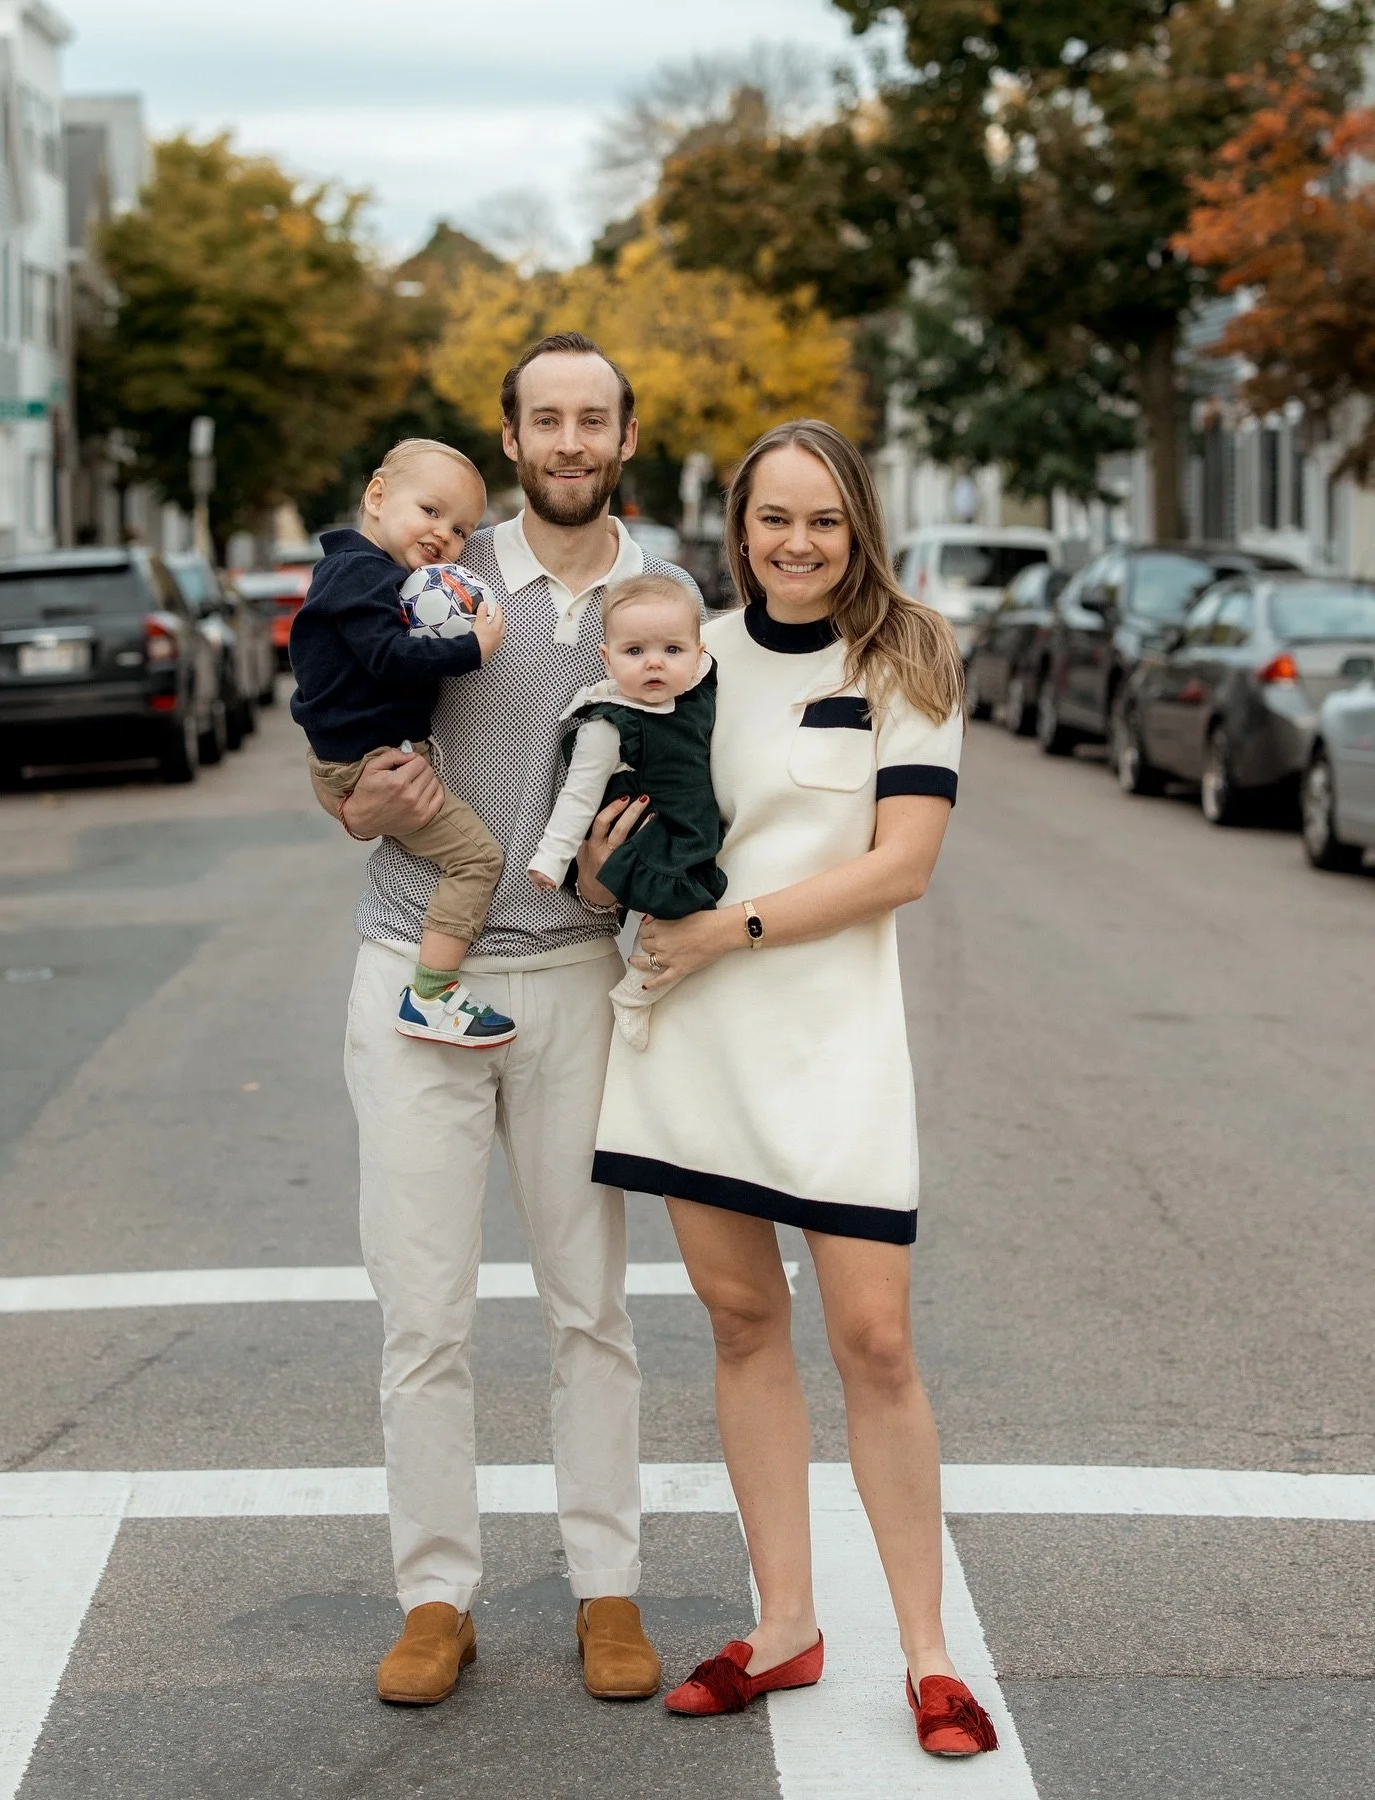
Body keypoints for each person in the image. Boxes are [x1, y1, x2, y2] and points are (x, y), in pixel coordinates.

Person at [588, 419, 1000, 1757]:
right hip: (694, 1037)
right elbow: (630, 819)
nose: (799, 543)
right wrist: (606, 871)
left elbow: (903, 865)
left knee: (875, 1342)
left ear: (857, 522)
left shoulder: (909, 654)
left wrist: (731, 929)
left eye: (823, 518)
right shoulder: (686, 655)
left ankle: (928, 1654)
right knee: (740, 1323)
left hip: (832, 1040)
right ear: (739, 527)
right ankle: (784, 1627)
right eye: (774, 518)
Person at [312, 333, 700, 1707]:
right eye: (548, 420)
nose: (571, 442)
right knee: (424, 1313)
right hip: (415, 971)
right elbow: (339, 752)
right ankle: (436, 1597)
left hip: (579, 976)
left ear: (625, 436)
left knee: (590, 1307)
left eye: (594, 419)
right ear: (514, 436)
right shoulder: (438, 572)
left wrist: (632, 876)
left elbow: (694, 783)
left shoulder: (667, 598)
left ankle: (607, 1585)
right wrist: (358, 802)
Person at [290, 439, 515, 1047]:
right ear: (377, 495)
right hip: (364, 763)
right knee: (477, 858)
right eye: (431, 511)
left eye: (462, 529)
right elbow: (387, 657)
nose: (445, 534)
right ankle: (432, 994)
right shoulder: (360, 574)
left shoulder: (368, 574)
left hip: (359, 757)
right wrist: (471, 649)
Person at [528, 571, 724, 1049]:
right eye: (634, 651)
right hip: (657, 834)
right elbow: (577, 796)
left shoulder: (698, 690)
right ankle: (634, 995)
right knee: (673, 913)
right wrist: (552, 858)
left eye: (672, 650)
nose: (654, 663)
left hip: (695, 826)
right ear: (607, 658)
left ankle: (644, 991)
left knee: (694, 923)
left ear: (698, 654)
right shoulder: (608, 724)